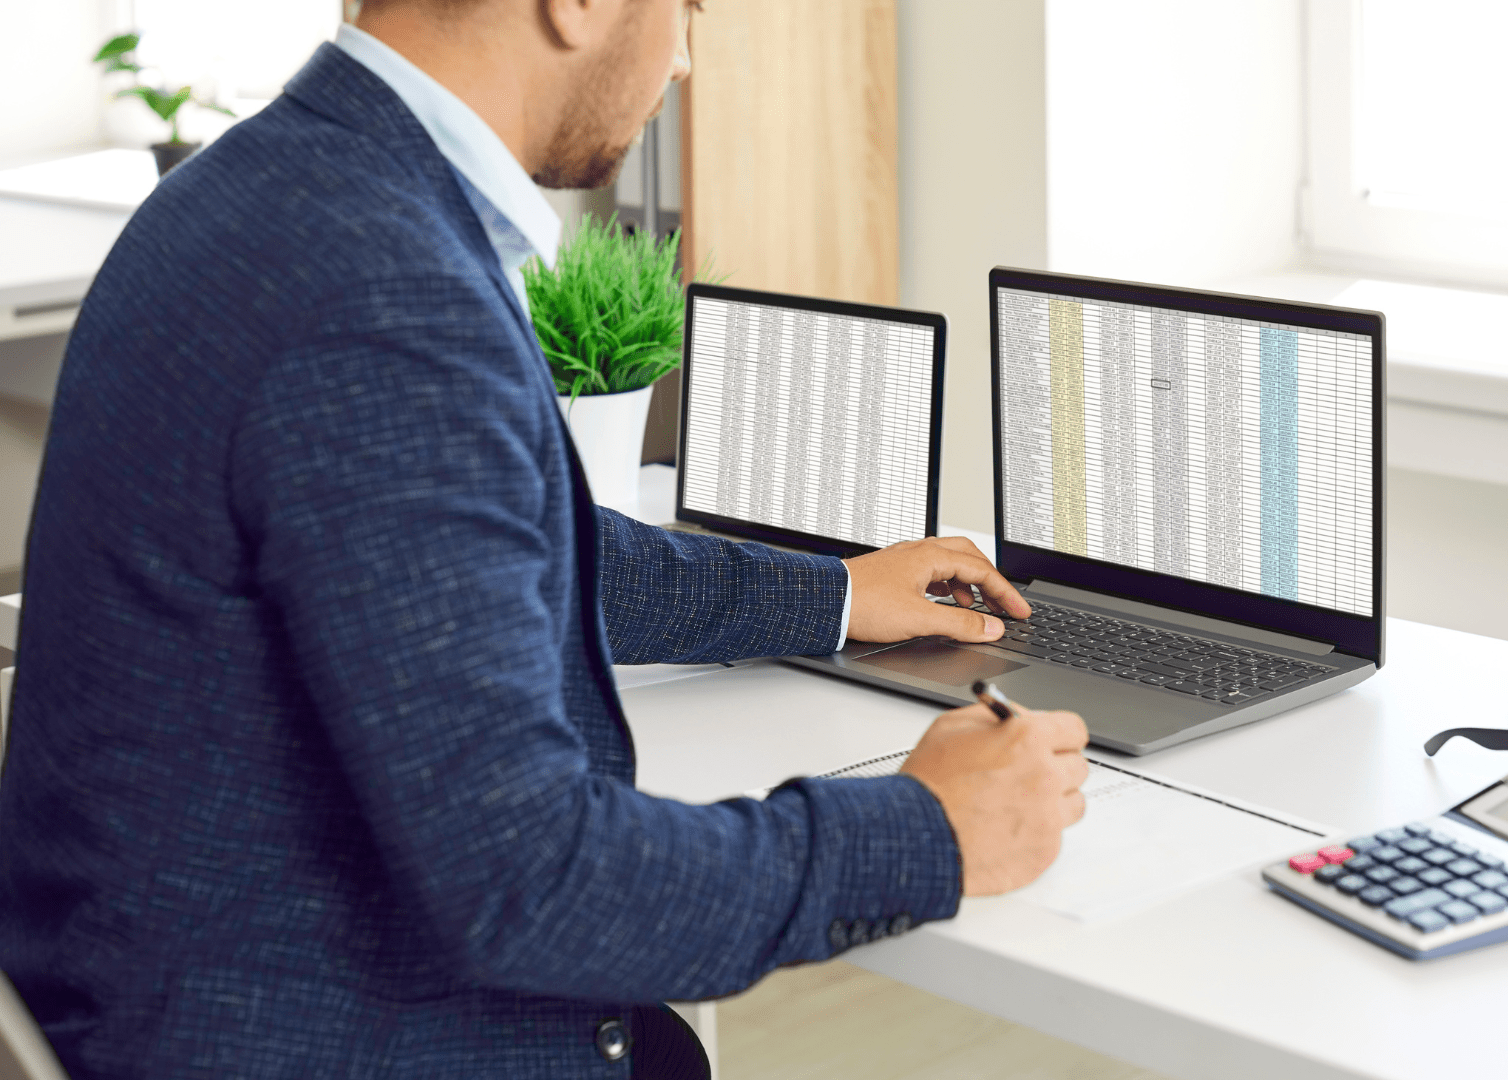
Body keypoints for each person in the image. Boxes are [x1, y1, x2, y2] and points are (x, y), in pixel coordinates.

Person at [0, 1, 1089, 1076]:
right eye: (686, 7)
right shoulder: (383, 287)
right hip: (298, 1029)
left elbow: (499, 550)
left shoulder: (262, 186)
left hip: (170, 982)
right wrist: (925, 830)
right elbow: (533, 884)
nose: (685, 60)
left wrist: (834, 596)